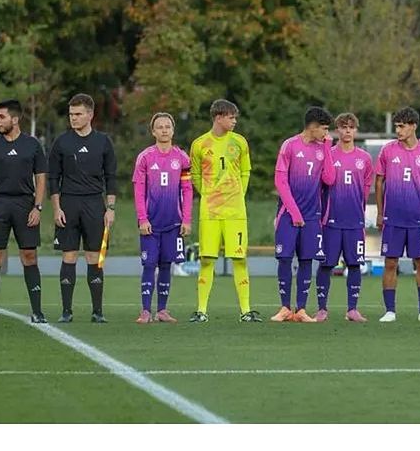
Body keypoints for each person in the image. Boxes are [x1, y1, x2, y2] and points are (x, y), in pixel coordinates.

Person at [0, 100, 47, 324]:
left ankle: (37, 312)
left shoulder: (33, 145)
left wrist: (37, 207)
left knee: (29, 256)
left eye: (2, 117)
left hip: (25, 205)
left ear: (15, 119)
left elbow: (41, 178)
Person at [188, 99, 259, 322]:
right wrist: (207, 194)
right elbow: (195, 175)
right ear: (218, 117)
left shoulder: (240, 142)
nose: (234, 121)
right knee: (207, 260)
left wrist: (238, 194)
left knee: (239, 259)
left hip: (235, 213)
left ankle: (245, 311)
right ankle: (201, 311)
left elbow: (246, 171)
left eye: (235, 117)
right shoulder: (199, 144)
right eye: (231, 117)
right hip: (210, 213)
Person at [49, 93, 117, 323]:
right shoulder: (61, 142)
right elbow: (53, 178)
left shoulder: (103, 142)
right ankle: (66, 311)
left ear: (90, 115)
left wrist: (110, 208)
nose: (73, 118)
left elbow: (111, 177)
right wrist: (56, 208)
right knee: (69, 255)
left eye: (78, 114)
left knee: (93, 257)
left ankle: (97, 312)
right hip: (68, 203)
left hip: (94, 204)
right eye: (71, 114)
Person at [375, 107, 420, 322]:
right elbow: (379, 181)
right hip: (392, 218)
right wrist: (380, 212)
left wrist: (417, 198)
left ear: (413, 126)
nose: (398, 130)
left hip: (417, 219)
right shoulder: (387, 151)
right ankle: (389, 311)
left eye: (402, 126)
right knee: (390, 263)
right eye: (396, 126)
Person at [269, 107, 336, 323]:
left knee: (307, 260)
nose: (327, 133)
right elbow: (280, 181)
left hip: (312, 215)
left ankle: (301, 310)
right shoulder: (290, 145)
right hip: (288, 215)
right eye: (324, 129)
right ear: (313, 127)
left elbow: (329, 179)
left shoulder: (322, 148)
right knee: (284, 258)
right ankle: (285, 308)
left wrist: (327, 149)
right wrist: (294, 211)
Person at [131, 112, 193, 324]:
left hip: (173, 223)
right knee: (149, 265)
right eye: (160, 127)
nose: (164, 130)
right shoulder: (145, 157)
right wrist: (142, 218)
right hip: (150, 223)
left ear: (173, 130)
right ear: (153, 131)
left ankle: (162, 311)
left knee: (166, 264)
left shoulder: (182, 158)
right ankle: (145, 311)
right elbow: (139, 190)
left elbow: (187, 190)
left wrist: (186, 219)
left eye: (168, 126)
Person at [313, 113, 372, 322]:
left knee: (354, 264)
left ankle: (352, 309)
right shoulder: (327, 154)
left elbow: (366, 188)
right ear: (337, 129)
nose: (347, 131)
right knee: (326, 264)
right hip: (331, 220)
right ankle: (322, 309)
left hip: (354, 221)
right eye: (343, 127)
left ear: (356, 130)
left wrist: (359, 211)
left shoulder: (364, 158)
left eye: (351, 127)